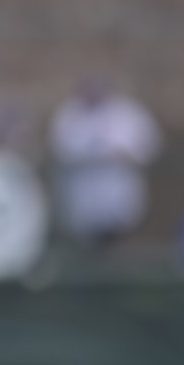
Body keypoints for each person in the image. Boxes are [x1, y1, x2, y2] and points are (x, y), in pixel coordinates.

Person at [48, 75, 162, 250]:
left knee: (119, 244)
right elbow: (60, 149)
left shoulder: (129, 114)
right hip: (82, 201)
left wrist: (127, 155)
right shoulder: (69, 114)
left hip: (120, 198)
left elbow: (149, 145)